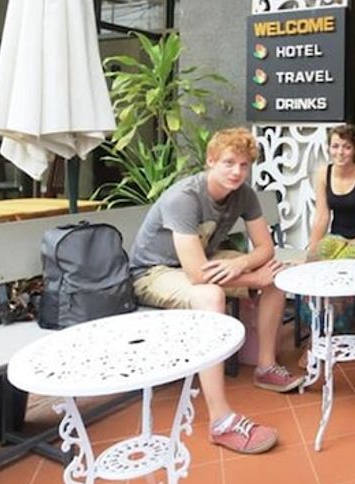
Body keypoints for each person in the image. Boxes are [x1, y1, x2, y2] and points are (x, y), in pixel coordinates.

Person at [127, 127, 303, 455]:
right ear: (210, 161)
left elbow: (265, 248)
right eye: (228, 163)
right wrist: (252, 279)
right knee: (211, 295)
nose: (237, 171)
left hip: (201, 260)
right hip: (154, 272)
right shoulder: (184, 198)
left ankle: (265, 367)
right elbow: (197, 275)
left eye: (244, 165)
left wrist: (243, 264)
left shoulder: (243, 194)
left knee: (276, 276)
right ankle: (220, 421)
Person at [304, 124, 355, 332]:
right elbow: (322, 216)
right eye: (335, 146)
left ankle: (337, 331)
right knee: (312, 268)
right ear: (329, 148)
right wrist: (311, 252)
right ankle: (316, 331)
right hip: (337, 236)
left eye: (346, 147)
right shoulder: (323, 173)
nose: (340, 152)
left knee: (342, 272)